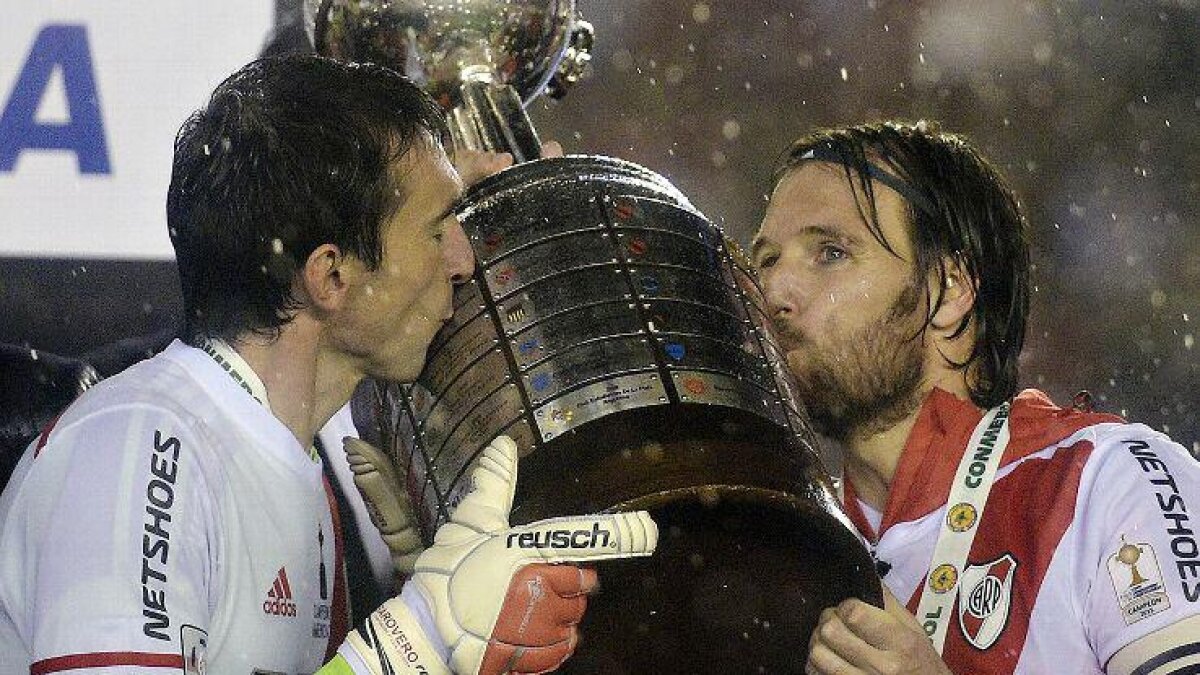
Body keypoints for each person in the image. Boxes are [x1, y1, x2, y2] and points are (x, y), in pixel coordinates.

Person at [0, 54, 657, 675]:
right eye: (437, 229)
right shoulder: (134, 450)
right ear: (331, 276)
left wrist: (439, 629)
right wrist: (411, 643)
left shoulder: (291, 469)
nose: (462, 262)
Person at [750, 120, 1200, 674]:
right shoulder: (780, 548)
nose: (774, 292)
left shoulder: (1101, 482)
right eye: (766, 260)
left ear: (951, 292)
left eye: (831, 253)